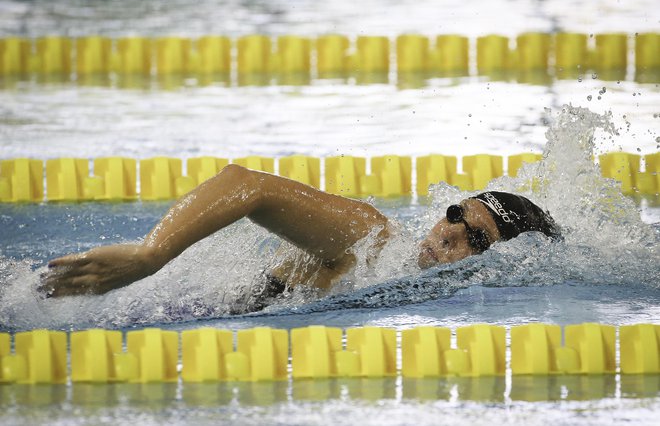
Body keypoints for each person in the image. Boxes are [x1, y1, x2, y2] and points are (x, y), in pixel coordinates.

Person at [40, 164, 560, 299]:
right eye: (455, 214)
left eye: (476, 240)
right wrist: (149, 256)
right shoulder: (375, 240)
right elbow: (247, 185)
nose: (450, 235)